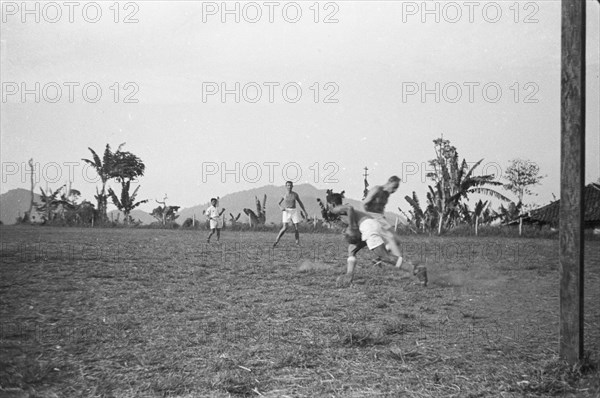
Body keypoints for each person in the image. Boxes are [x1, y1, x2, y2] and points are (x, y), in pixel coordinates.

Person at [329, 203, 427, 287]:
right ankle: (349, 275)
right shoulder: (344, 215)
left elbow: (349, 208)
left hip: (367, 227)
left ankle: (415, 269)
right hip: (370, 225)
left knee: (384, 257)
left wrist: (352, 227)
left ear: (331, 203)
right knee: (352, 249)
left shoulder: (335, 209)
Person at [363, 175, 402, 257]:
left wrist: (382, 217)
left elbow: (381, 208)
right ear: (389, 182)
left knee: (397, 240)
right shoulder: (377, 189)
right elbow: (364, 203)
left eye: (397, 188)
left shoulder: (387, 194)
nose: (395, 190)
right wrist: (365, 217)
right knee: (390, 237)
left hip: (380, 217)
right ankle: (400, 261)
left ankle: (380, 257)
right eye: (394, 187)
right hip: (371, 216)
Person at [273, 181, 308, 247]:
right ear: (286, 186)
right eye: (288, 185)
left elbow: (300, 203)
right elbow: (278, 203)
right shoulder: (284, 194)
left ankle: (297, 243)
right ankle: (276, 240)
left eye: (290, 185)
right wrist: (281, 208)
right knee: (285, 227)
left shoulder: (295, 194)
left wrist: (305, 211)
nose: (289, 187)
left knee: (296, 228)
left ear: (292, 186)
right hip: (286, 211)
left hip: (294, 211)